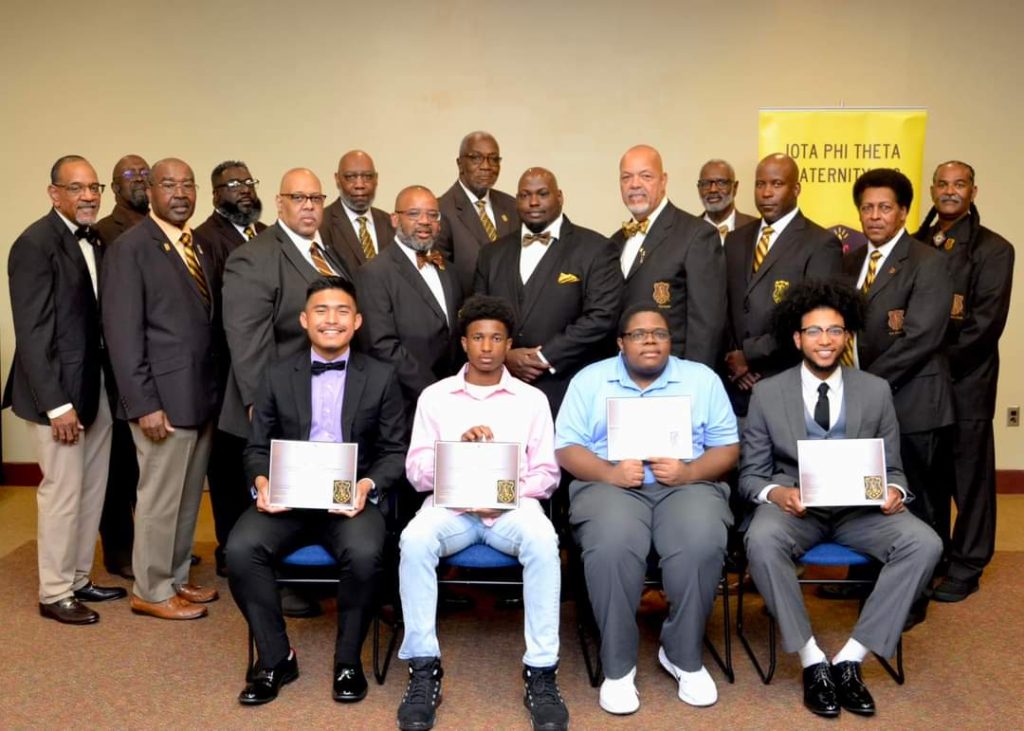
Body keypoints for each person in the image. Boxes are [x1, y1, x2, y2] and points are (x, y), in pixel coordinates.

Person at [740, 280, 942, 717]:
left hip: (860, 511)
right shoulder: (767, 393)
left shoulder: (875, 389)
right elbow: (750, 476)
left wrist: (895, 491)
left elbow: (894, 469)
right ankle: (812, 660)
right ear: (798, 339)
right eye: (814, 331)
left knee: (924, 542)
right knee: (761, 539)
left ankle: (851, 659)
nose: (825, 340)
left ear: (847, 336)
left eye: (835, 330)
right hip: (797, 511)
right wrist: (779, 493)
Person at [227, 276, 406, 706]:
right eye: (321, 311)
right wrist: (262, 483)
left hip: (350, 501)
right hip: (288, 500)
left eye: (342, 311)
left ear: (357, 321)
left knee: (365, 553)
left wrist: (367, 486)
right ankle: (276, 658)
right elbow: (256, 448)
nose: (331, 320)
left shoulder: (381, 376)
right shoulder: (275, 374)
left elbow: (394, 451)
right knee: (240, 550)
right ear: (305, 320)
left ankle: (348, 661)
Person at [396, 295, 568, 731]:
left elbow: (547, 474)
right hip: (450, 509)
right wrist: (457, 453)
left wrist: (504, 496)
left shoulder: (531, 400)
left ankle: (541, 670)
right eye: (477, 338)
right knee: (414, 540)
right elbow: (416, 472)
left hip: (511, 509)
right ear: (464, 343)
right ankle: (423, 667)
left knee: (544, 541)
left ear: (508, 344)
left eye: (496, 338)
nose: (487, 347)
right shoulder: (435, 398)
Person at [556, 305, 739, 714]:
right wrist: (609, 473)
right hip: (609, 484)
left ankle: (682, 655)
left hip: (687, 484)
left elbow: (728, 446)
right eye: (639, 334)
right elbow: (566, 447)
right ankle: (618, 666)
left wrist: (690, 472)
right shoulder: (589, 380)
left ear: (670, 341)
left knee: (701, 542)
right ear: (621, 343)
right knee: (612, 545)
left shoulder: (701, 379)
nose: (650, 340)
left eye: (660, 333)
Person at [4, 154, 124, 624]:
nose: (89, 196)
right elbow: (32, 334)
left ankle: (77, 578)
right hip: (56, 394)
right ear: (54, 193)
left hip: (95, 385)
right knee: (63, 493)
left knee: (91, 490)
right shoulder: (34, 244)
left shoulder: (96, 238)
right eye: (77, 188)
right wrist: (57, 405)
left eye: (94, 187)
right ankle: (54, 592)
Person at [102, 158, 221, 619]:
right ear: (150, 191)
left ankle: (174, 577)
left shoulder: (197, 244)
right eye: (169, 184)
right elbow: (122, 335)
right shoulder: (131, 248)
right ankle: (151, 591)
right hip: (161, 403)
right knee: (158, 499)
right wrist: (143, 403)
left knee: (187, 499)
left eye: (188, 184)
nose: (180, 193)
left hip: (199, 396)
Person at [841, 169, 955, 569]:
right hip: (860, 402)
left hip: (913, 402)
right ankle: (870, 576)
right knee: (870, 493)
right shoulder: (849, 262)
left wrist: (865, 386)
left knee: (917, 498)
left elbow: (921, 336)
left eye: (885, 208)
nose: (874, 216)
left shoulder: (929, 262)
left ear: (903, 212)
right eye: (867, 208)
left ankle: (918, 585)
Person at [914, 160, 1015, 602]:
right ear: (932, 190)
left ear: (974, 191)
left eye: (959, 184)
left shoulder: (994, 249)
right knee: (928, 478)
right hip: (919, 384)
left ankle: (968, 564)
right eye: (942, 184)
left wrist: (936, 367)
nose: (950, 191)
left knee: (968, 479)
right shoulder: (917, 242)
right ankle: (934, 556)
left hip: (965, 380)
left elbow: (985, 326)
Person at [474, 167, 622, 414]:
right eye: (525, 195)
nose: (533, 202)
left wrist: (543, 358)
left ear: (560, 197)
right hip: (502, 388)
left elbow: (601, 317)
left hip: (569, 389)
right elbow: (479, 316)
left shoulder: (596, 249)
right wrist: (505, 355)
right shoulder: (491, 254)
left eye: (542, 194)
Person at [723, 153, 843, 416]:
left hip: (786, 381)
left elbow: (813, 321)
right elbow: (725, 305)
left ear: (796, 189)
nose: (766, 193)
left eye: (777, 184)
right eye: (760, 184)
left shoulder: (820, 244)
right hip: (736, 387)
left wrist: (749, 356)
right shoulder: (735, 240)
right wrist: (734, 358)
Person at [193, 159, 268, 575]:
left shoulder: (264, 233)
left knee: (258, 459)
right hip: (224, 371)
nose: (243, 189)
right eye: (232, 184)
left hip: (261, 365)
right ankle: (229, 548)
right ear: (215, 193)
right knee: (226, 465)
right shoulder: (204, 239)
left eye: (248, 181)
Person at [611, 144, 726, 368]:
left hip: (675, 371)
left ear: (663, 181)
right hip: (622, 373)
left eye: (645, 176)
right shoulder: (615, 241)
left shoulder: (697, 235)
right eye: (626, 177)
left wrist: (693, 379)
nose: (634, 184)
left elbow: (707, 324)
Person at [357, 185, 464, 419]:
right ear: (395, 219)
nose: (425, 221)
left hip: (452, 402)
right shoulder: (374, 273)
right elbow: (381, 346)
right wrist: (433, 393)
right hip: (402, 407)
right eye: (414, 214)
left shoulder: (449, 271)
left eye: (432, 215)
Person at [94, 153, 151, 578]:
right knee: (118, 466)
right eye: (130, 175)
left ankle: (151, 547)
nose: (140, 180)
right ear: (114, 188)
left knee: (148, 466)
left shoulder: (161, 226)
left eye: (146, 174)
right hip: (117, 366)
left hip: (154, 362)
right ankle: (119, 550)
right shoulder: (104, 233)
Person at [437, 131, 520, 293]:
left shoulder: (511, 206)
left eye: (493, 159)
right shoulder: (441, 210)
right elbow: (443, 280)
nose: (486, 166)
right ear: (460, 164)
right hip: (468, 306)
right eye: (476, 158)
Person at [320, 150, 395, 272]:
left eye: (367, 176)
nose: (359, 185)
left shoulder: (391, 224)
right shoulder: (321, 224)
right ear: (337, 179)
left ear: (376, 179)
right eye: (350, 177)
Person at [696, 159, 757, 243]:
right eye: (706, 183)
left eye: (721, 183)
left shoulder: (755, 228)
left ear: (735, 187)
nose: (713, 189)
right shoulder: (688, 230)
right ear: (699, 188)